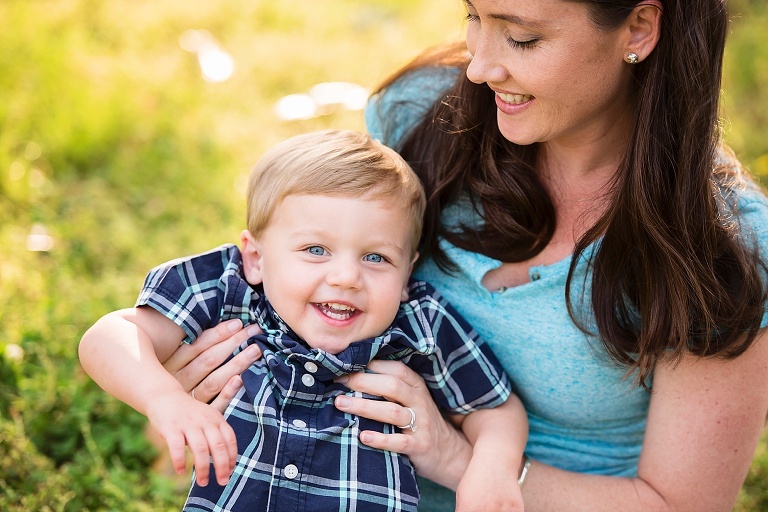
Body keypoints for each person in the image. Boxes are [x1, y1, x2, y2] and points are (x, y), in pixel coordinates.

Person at [158, 1, 768, 511]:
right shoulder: (423, 116)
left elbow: (678, 504)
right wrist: (196, 375)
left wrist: (457, 458)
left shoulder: (720, 245)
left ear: (638, 27)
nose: (478, 66)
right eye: (474, 15)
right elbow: (306, 257)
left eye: (523, 38)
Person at [78, 129, 528, 512]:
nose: (347, 277)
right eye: (316, 250)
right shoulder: (226, 290)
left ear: (407, 272)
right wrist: (166, 400)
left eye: (376, 257)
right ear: (255, 257)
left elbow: (495, 408)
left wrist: (491, 469)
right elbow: (109, 337)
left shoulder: (417, 324)